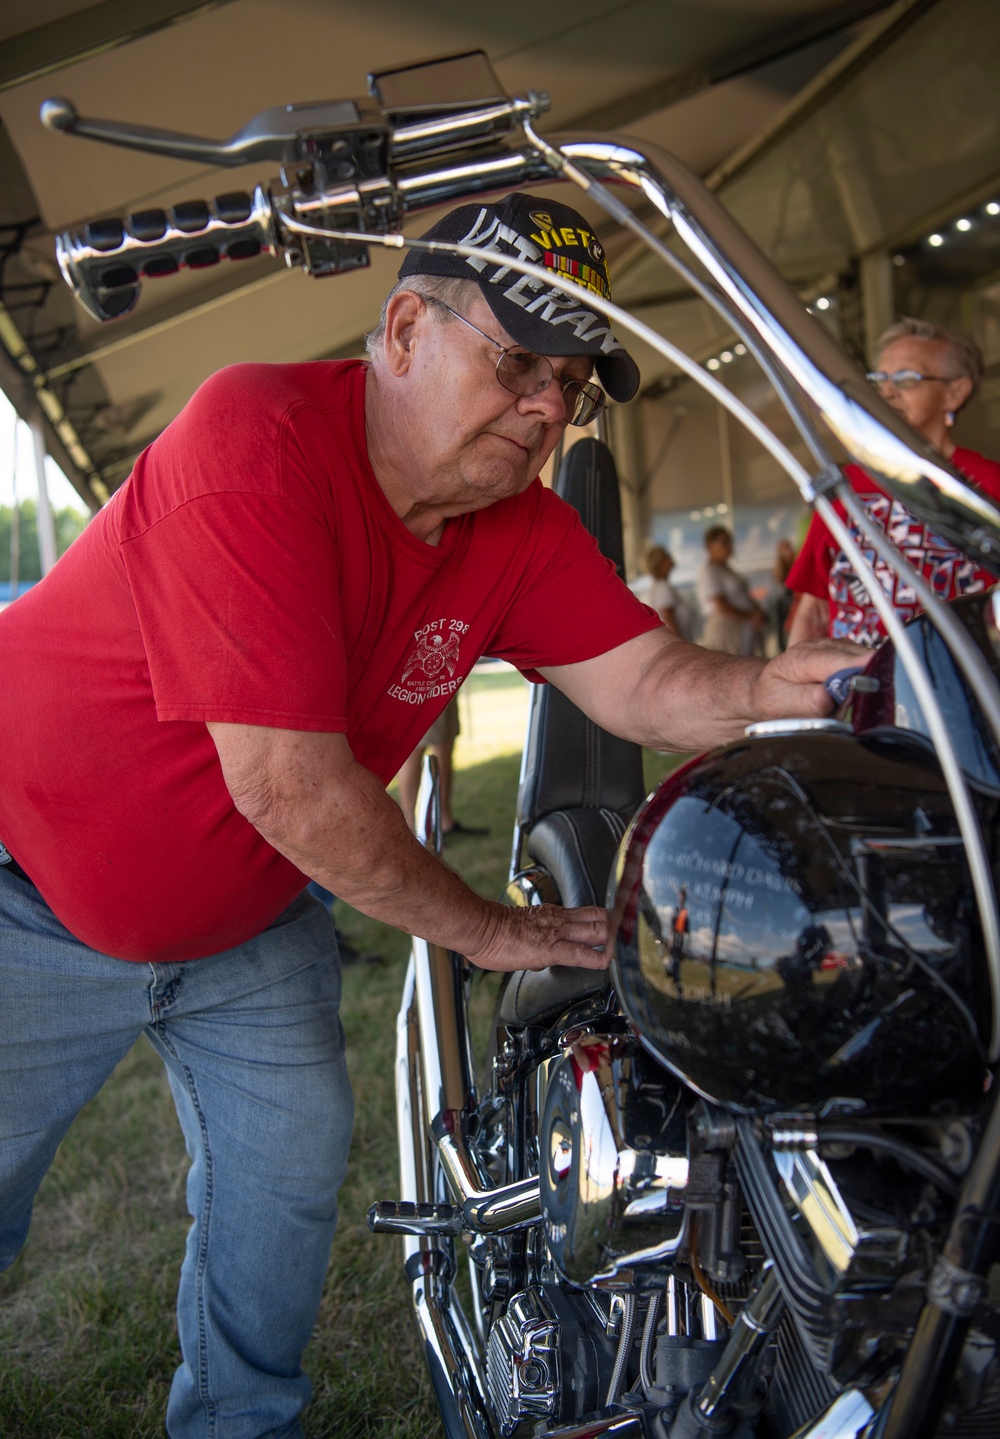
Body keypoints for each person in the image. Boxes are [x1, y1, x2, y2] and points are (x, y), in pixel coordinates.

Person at [0, 190, 864, 1439]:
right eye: (517, 361)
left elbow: (640, 680)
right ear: (403, 328)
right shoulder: (256, 437)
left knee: (287, 1189)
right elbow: (288, 786)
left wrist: (765, 692)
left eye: (571, 383)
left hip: (244, 916)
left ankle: (239, 1425)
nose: (547, 407)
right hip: (29, 892)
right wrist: (486, 929)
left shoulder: (512, 523)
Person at [787, 317, 1000, 646]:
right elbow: (813, 609)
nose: (887, 391)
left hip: (958, 686)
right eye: (879, 379)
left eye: (905, 379)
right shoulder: (847, 484)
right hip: (857, 688)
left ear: (955, 392)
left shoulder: (989, 486)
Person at [395, 693, 488, 840]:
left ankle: (444, 822)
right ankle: (409, 828)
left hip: (446, 678)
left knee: (446, 740)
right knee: (415, 746)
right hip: (422, 681)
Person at [696, 524, 763, 654]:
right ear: (710, 546)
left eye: (730, 541)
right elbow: (720, 605)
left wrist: (756, 611)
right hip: (727, 628)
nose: (729, 546)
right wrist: (750, 616)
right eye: (724, 542)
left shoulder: (725, 569)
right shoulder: (709, 571)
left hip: (741, 625)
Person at [643, 543, 687, 637]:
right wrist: (680, 642)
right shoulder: (662, 587)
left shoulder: (657, 586)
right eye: (667, 557)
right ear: (661, 564)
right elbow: (668, 618)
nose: (671, 560)